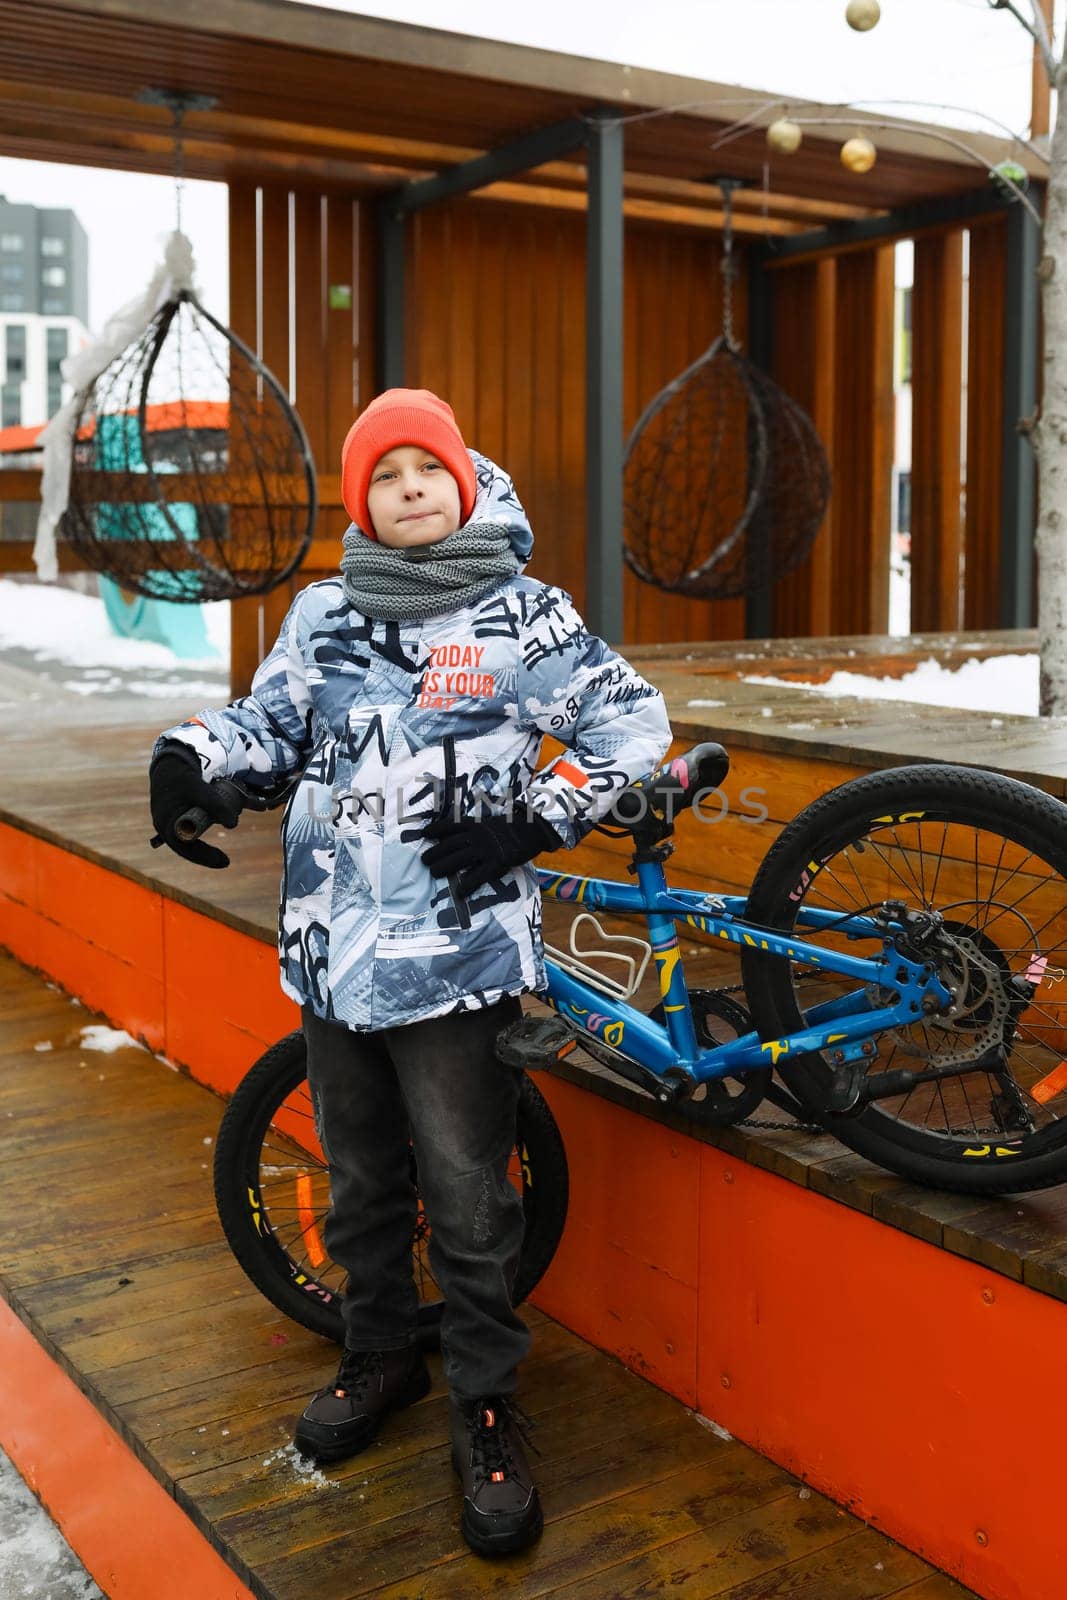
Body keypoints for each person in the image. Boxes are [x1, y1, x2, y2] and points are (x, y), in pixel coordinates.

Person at [148, 389, 671, 1558]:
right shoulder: (325, 613)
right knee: (362, 1183)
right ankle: (379, 1352)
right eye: (384, 477)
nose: (411, 490)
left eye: (426, 468)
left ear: (466, 481)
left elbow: (629, 725)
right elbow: (267, 726)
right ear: (362, 503)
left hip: (459, 958)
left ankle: (483, 1401)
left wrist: (535, 819)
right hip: (337, 961)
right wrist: (190, 759)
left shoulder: (520, 615)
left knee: (471, 1196)